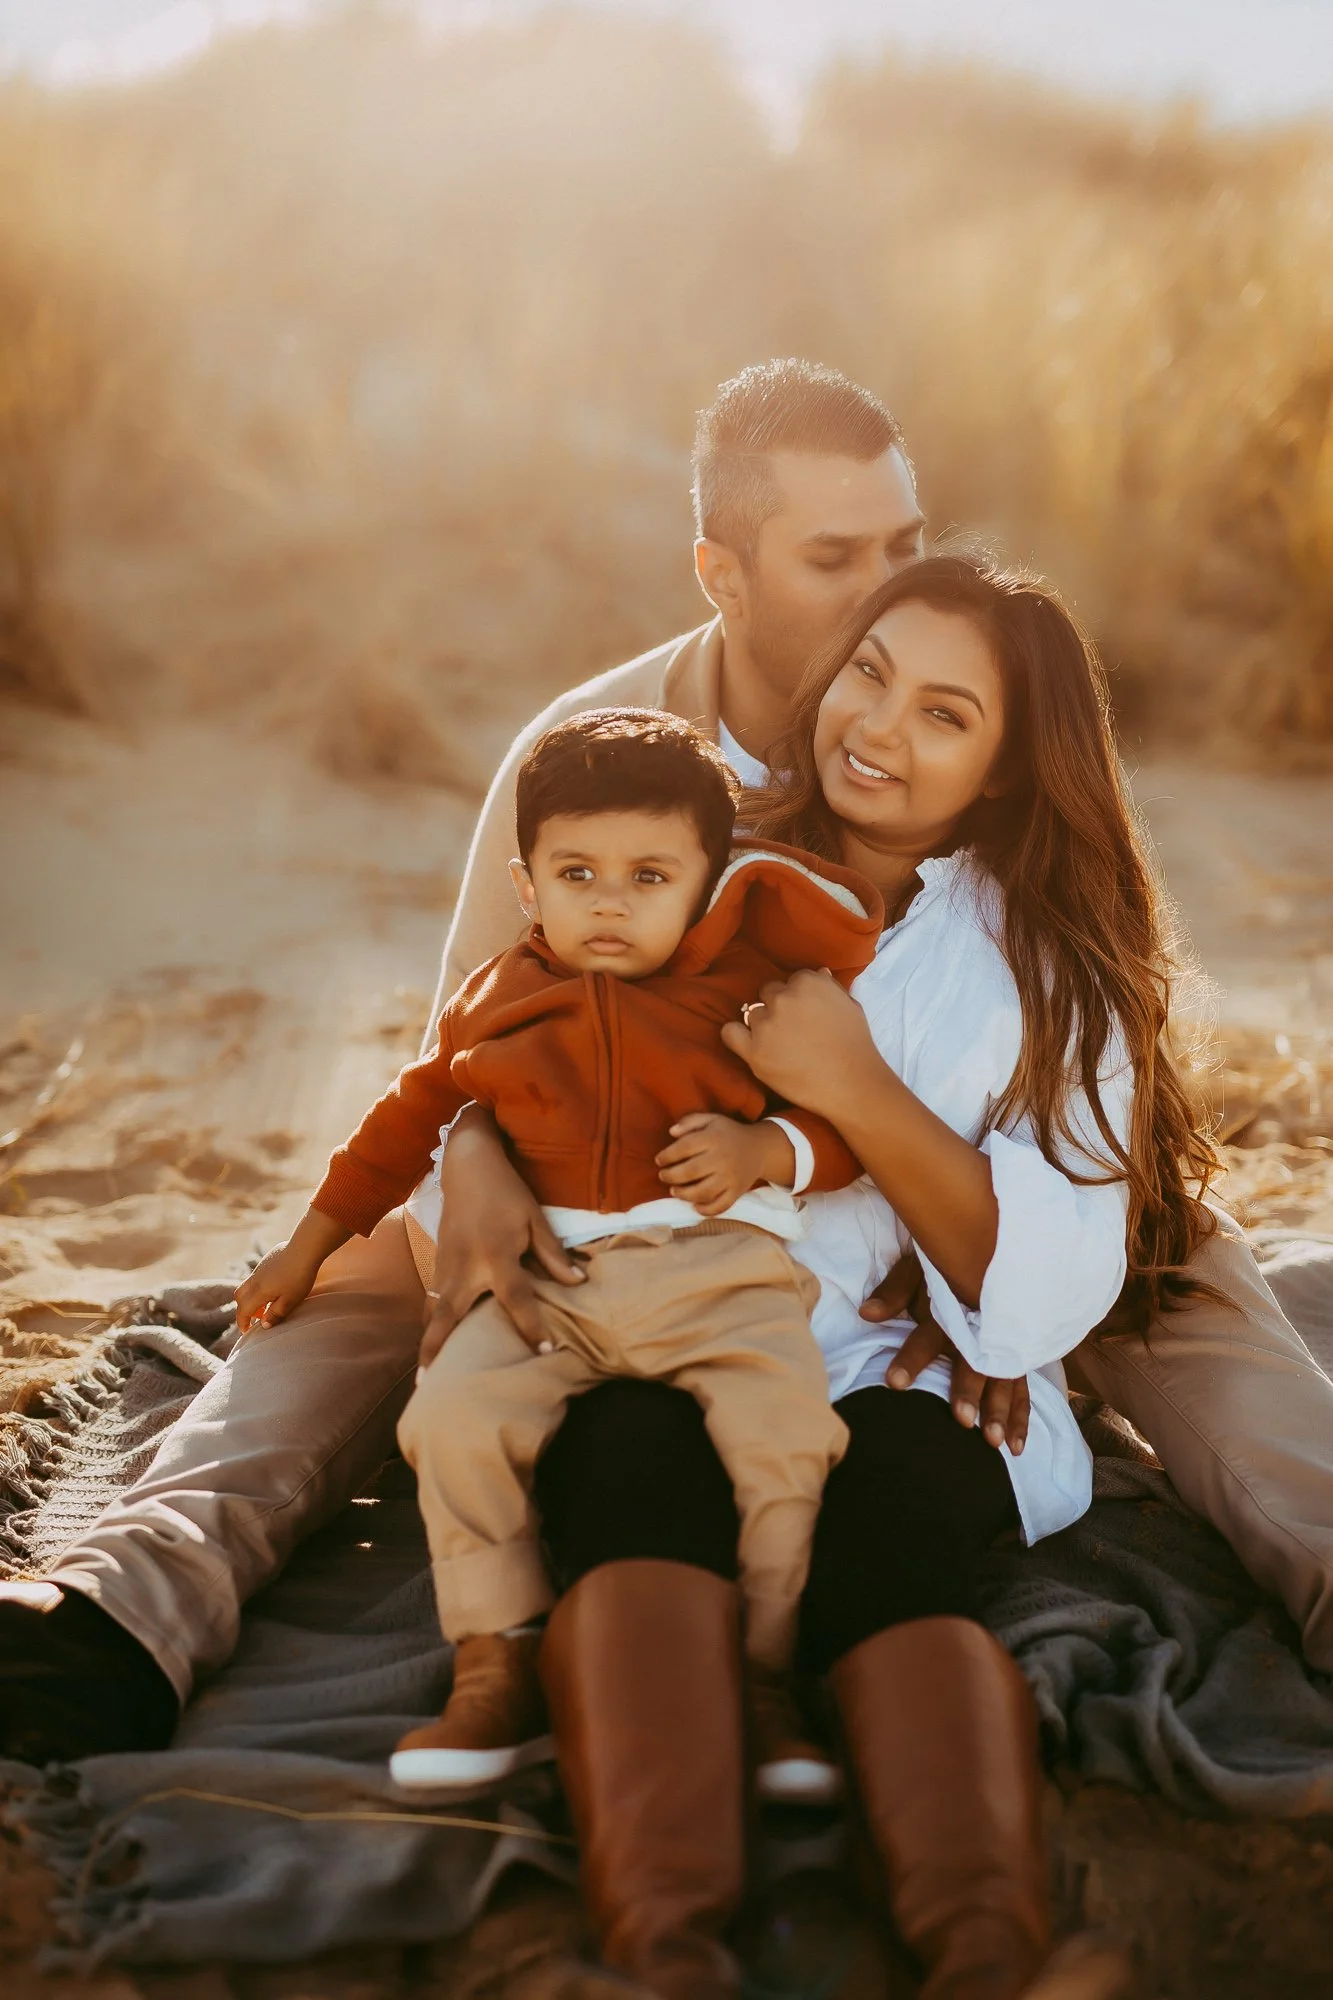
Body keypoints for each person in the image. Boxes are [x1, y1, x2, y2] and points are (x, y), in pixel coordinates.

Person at [1, 359, 1329, 1765]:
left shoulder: (964, 698)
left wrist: (988, 1299)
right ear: (723, 573)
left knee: (1186, 1268)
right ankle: (129, 1607)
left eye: (904, 543)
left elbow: (1083, 1078)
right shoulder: (593, 755)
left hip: (960, 1180)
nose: (885, 587)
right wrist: (473, 1172)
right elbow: (468, 1045)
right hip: (640, 1186)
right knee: (380, 1271)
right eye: (835, 559)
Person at [441, 551, 1199, 2000]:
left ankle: (983, 1956)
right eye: (868, 671)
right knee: (622, 1469)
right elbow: (519, 1031)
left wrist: (854, 1092)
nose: (879, 727)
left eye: (943, 713)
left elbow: (1046, 1286)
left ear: (1002, 765)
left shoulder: (1048, 966)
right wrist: (473, 1139)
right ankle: (665, 1952)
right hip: (666, 1325)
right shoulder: (697, 850)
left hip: (909, 1371)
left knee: (897, 1512)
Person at [232, 708, 880, 1794]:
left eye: (648, 875)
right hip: (548, 1283)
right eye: (576, 872)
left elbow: (848, 1134)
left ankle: (764, 1673)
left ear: (707, 881)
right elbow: (395, 1132)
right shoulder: (494, 1000)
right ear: (526, 884)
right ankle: (497, 1659)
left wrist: (766, 1146)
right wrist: (307, 1246)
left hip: (716, 1274)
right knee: (447, 1416)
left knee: (789, 1436)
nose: (611, 902)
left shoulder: (747, 992)